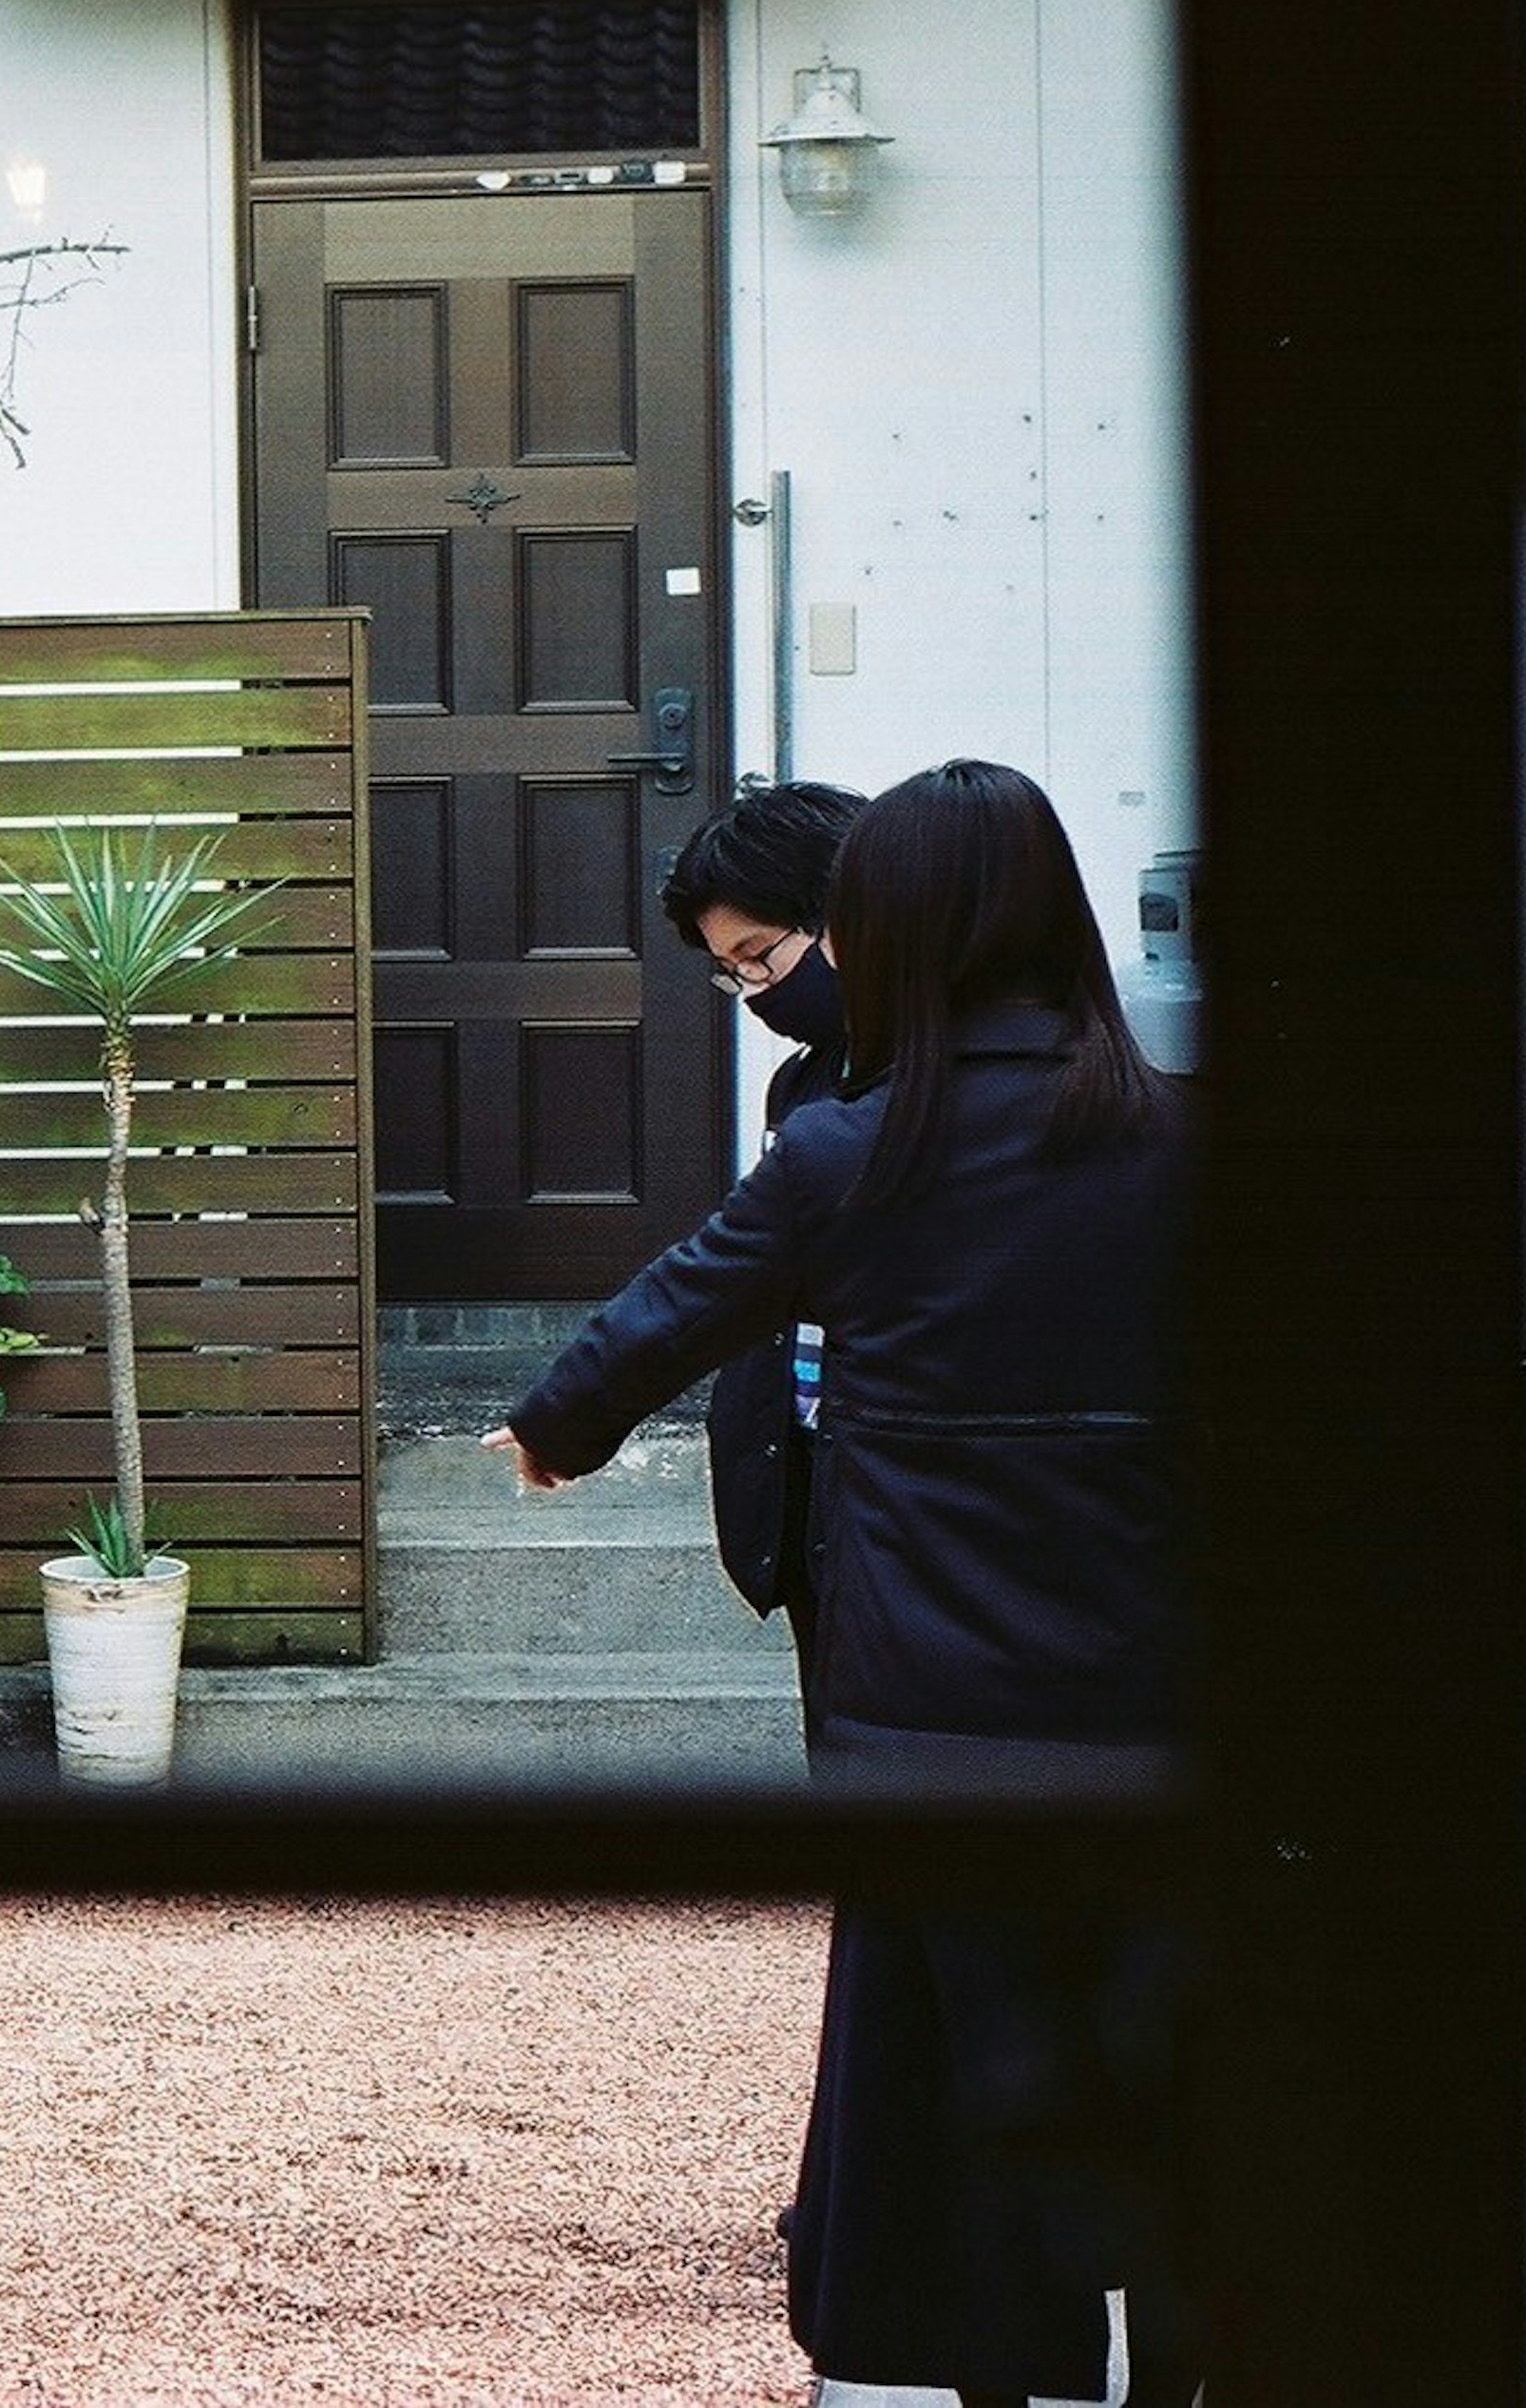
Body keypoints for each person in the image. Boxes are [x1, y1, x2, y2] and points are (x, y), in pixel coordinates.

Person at [488, 759, 1200, 2407]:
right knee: (1171, 2077)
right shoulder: (1184, 1142)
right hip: (1158, 1688)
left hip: (927, 1700)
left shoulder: (849, 1153)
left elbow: (678, 1304)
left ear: (879, 930)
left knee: (962, 2095)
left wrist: (553, 1426)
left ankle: (1010, 2382)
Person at [658, 778, 869, 1737]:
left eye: (760, 957)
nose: (754, 994)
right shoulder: (803, 1082)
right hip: (805, 1478)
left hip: (897, 1496)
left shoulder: (967, 1073)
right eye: (731, 972)